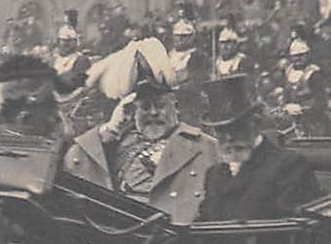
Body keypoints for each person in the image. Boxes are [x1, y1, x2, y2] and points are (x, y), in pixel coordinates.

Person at [63, 63, 218, 225]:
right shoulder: (116, 144)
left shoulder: (203, 146)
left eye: (160, 105)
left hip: (171, 237)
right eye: (144, 107)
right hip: (121, 233)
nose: (153, 113)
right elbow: (73, 164)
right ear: (132, 112)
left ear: (176, 107)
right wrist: (110, 129)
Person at [198, 73, 321, 222]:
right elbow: (204, 225)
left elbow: (292, 234)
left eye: (236, 127)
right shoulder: (214, 175)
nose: (229, 137)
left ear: (255, 122)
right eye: (221, 130)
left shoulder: (289, 167)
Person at [279, 36, 331, 135]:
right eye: (295, 56)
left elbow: (321, 101)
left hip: (312, 118)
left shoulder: (314, 74)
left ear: (307, 55)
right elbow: (286, 94)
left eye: (302, 55)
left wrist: (302, 110)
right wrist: (285, 106)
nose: (298, 58)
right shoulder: (288, 71)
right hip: (291, 116)